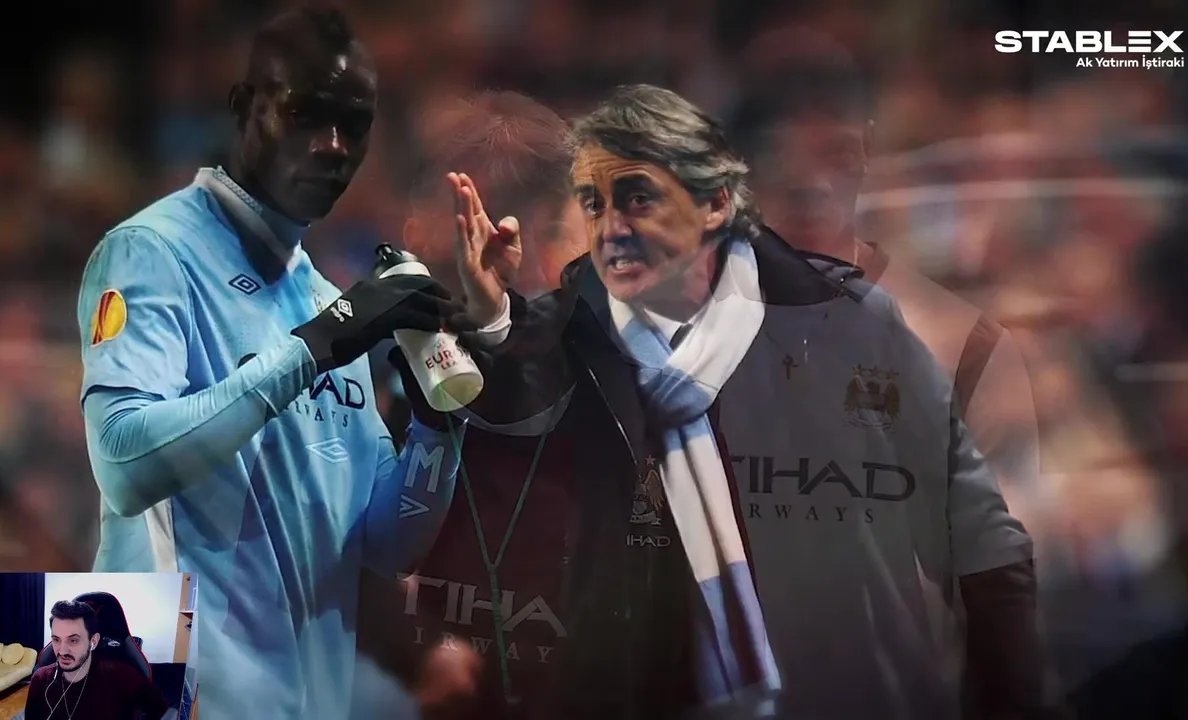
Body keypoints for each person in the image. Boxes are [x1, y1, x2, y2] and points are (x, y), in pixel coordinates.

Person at [455, 83, 1047, 719]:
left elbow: (980, 541)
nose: (611, 230)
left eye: (638, 199)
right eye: (594, 204)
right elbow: (503, 438)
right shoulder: (567, 334)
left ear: (715, 203)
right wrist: (490, 321)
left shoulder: (848, 326)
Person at [75, 7, 467, 719]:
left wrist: (434, 427)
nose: (332, 145)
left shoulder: (328, 302)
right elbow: (124, 466)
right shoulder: (152, 252)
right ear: (242, 107)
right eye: (305, 113)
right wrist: (316, 347)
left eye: (354, 124)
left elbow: (386, 546)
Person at [356, 90, 665, 720]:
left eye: (543, 229)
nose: (498, 260)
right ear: (415, 229)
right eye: (467, 222)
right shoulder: (365, 376)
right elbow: (328, 550)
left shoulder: (633, 385)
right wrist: (411, 649)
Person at [730, 29, 1043, 533]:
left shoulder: (962, 342)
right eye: (785, 160)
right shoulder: (684, 328)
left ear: (868, 151)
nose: (813, 184)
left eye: (833, 156)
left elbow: (1019, 529)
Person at [25, 600, 169, 720]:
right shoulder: (41, 679)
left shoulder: (122, 676)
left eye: (73, 640)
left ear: (93, 642)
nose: (62, 651)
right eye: (56, 640)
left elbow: (159, 709)